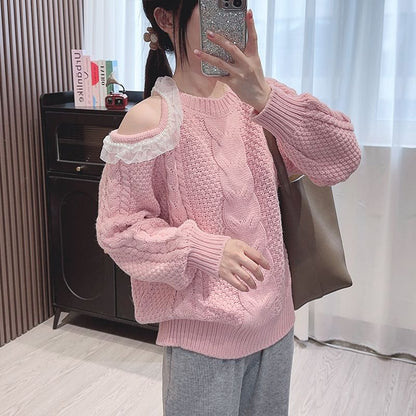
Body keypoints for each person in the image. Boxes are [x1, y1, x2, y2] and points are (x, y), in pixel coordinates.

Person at [96, 1, 361, 415]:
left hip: (276, 328)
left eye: (235, 4)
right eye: (215, 4)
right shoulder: (151, 121)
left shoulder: (259, 102)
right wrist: (202, 249)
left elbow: (344, 156)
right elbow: (119, 231)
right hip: (202, 343)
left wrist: (265, 98)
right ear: (165, 19)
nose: (230, 17)